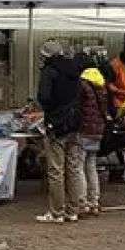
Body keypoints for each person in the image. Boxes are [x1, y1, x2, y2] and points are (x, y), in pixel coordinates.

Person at [35, 40, 87, 224]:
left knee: (56, 170)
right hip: (75, 124)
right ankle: (73, 210)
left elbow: (44, 97)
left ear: (46, 55)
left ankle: (57, 212)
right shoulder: (75, 70)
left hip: (57, 125)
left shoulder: (48, 72)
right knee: (73, 167)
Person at [77, 53, 112, 216]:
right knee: (91, 166)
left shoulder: (82, 84)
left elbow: (79, 108)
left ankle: (82, 202)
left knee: (79, 167)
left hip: (84, 129)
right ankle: (94, 202)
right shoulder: (101, 83)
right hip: (98, 130)